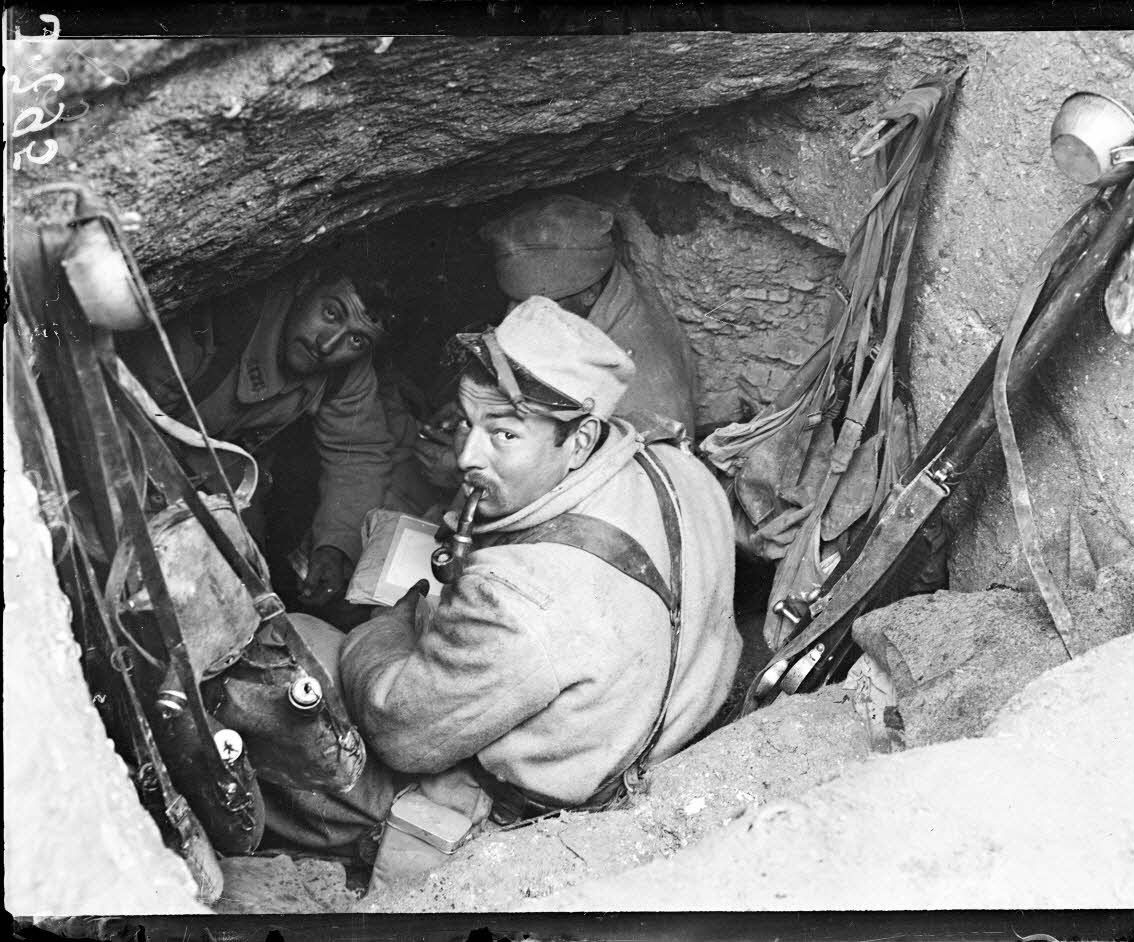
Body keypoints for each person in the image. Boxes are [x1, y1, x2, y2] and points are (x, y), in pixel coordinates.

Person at [262, 297, 741, 871]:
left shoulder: (518, 605)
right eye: (468, 421)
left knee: (288, 653)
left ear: (581, 439)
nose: (467, 454)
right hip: (661, 724)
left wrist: (383, 627)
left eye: (504, 435)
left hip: (523, 821)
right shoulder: (676, 464)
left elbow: (397, 730)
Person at [118, 268, 396, 608]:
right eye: (331, 313)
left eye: (356, 340)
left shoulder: (347, 374)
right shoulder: (223, 321)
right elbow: (124, 414)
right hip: (142, 458)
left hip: (231, 481)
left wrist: (337, 544)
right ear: (306, 283)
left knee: (249, 589)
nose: (327, 345)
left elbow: (358, 454)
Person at [409, 195, 699, 503]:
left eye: (533, 303)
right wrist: (483, 411)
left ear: (589, 293)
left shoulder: (644, 387)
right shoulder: (607, 293)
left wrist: (460, 473)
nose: (511, 315)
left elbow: (606, 499)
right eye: (513, 299)